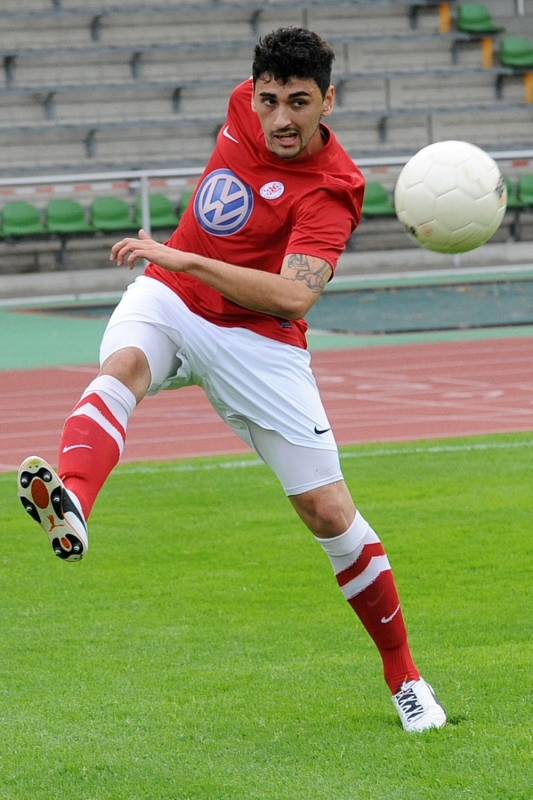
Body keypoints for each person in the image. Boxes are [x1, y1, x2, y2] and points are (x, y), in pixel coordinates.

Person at [17, 26, 446, 733]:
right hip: (171, 299)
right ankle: (75, 504)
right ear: (253, 94)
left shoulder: (334, 188)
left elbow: (293, 297)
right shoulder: (241, 103)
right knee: (123, 368)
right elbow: (193, 254)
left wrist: (186, 258)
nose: (279, 119)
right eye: (268, 100)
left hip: (260, 341)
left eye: (298, 102)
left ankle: (404, 676)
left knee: (328, 513)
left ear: (327, 100)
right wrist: (177, 269)